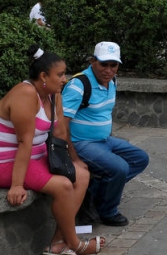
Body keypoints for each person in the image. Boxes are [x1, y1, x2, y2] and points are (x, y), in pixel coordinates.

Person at [0, 45, 104, 255]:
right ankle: (75, 244)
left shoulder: (53, 94)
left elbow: (61, 132)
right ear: (44, 76)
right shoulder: (25, 94)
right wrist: (17, 185)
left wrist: (74, 160)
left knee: (81, 174)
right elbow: (24, 142)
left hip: (35, 159)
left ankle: (57, 243)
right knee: (63, 185)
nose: (65, 79)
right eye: (60, 74)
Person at [63, 42, 149, 228]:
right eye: (104, 64)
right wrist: (74, 157)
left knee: (140, 159)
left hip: (104, 140)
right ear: (92, 61)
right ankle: (108, 211)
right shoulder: (79, 85)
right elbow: (61, 124)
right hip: (81, 143)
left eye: (113, 65)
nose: (109, 70)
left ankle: (94, 194)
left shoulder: (113, 82)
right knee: (119, 168)